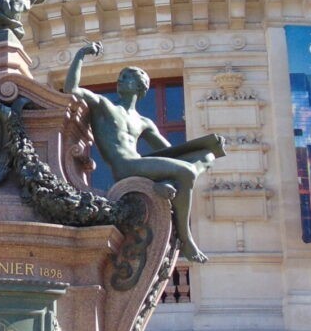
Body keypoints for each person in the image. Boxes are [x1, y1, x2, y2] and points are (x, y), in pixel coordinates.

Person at [65, 43, 225, 262]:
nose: (120, 80)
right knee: (186, 172)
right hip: (125, 166)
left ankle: (167, 183)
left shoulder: (144, 122)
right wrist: (81, 55)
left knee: (206, 156)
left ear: (140, 88)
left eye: (127, 77)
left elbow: (169, 151)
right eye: (121, 77)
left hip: (140, 163)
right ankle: (186, 238)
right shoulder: (105, 105)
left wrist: (206, 147)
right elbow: (72, 89)